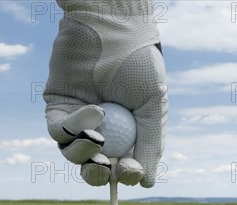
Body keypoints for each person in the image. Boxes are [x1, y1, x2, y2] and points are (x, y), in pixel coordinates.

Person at [44, 0, 168, 188]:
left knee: (64, 108)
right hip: (137, 41)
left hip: (77, 40)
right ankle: (129, 160)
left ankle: (84, 143)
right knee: (140, 164)